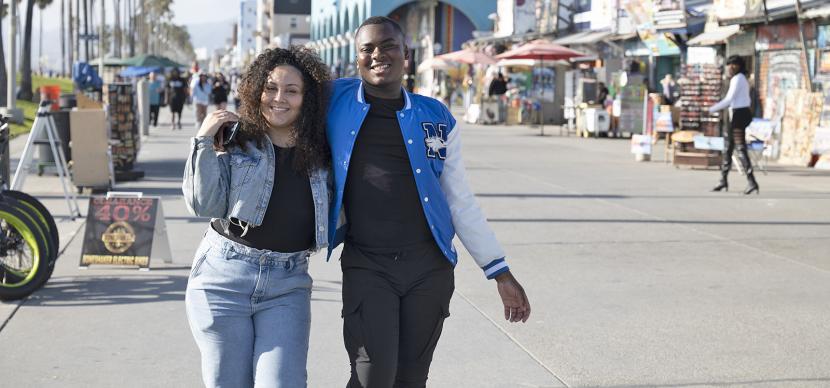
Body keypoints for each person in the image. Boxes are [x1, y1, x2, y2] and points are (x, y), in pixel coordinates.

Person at [327, 16, 531, 388]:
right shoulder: (333, 100)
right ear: (356, 58)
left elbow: (459, 200)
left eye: (388, 45)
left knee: (411, 379)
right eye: (367, 48)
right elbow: (279, 96)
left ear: (406, 53)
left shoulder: (436, 117)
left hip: (429, 269)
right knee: (374, 376)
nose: (377, 55)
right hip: (367, 265)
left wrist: (500, 272)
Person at [182, 46, 332, 387]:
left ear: (307, 98)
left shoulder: (323, 149)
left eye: (292, 91)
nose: (279, 98)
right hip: (223, 279)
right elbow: (202, 205)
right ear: (256, 90)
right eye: (271, 88)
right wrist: (204, 140)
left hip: (288, 285)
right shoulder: (235, 137)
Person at [709, 55, 758, 195]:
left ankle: (751, 181)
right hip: (734, 115)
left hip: (738, 115)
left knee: (740, 148)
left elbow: (729, 100)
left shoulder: (738, 79)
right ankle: (723, 180)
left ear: (739, 66)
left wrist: (710, 109)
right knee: (728, 149)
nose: (730, 67)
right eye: (729, 65)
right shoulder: (737, 79)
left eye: (733, 65)